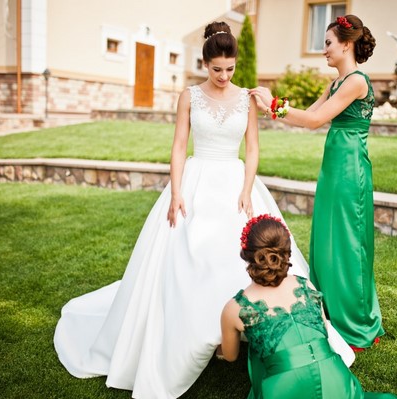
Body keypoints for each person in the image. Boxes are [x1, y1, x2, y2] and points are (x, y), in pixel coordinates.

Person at [54, 21, 352, 399]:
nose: (224, 76)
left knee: (234, 253)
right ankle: (197, 335)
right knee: (187, 256)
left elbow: (253, 148)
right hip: (194, 182)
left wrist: (246, 188)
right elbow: (180, 145)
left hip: (234, 182)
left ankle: (236, 333)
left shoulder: (245, 97)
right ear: (204, 63)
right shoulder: (188, 96)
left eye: (230, 69)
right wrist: (177, 191)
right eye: (217, 69)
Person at [250, 15, 383, 350]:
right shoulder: (335, 83)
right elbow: (306, 120)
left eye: (327, 43)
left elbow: (314, 119)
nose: (323, 50)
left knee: (349, 242)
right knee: (327, 239)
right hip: (333, 165)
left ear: (346, 44)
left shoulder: (356, 81)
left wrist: (275, 105)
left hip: (351, 168)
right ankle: (331, 314)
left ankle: (356, 322)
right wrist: (270, 108)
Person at [221, 215, 397, 399]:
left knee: (258, 346)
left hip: (284, 389)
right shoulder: (305, 286)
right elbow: (323, 329)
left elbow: (230, 355)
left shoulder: (234, 308)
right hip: (335, 379)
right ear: (286, 252)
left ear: (247, 255)